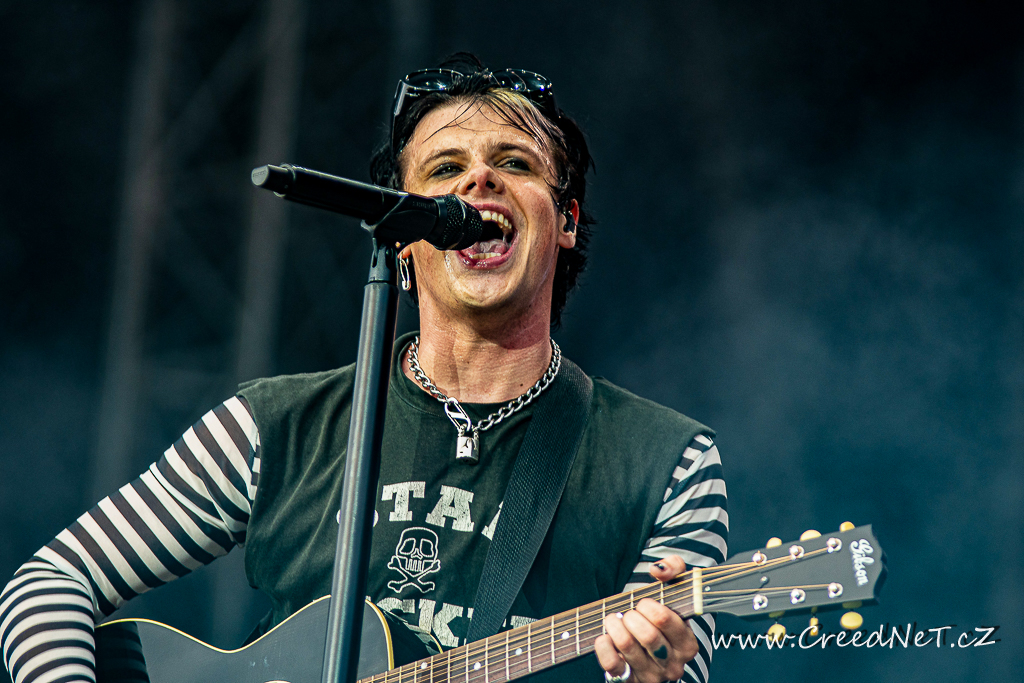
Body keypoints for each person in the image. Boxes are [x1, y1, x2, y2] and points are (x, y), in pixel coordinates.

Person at [0, 54, 727, 683]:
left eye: (515, 162)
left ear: (564, 220)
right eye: (445, 168)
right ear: (404, 237)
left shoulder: (664, 461)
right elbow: (49, 583)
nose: (480, 179)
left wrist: (653, 673)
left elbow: (672, 661)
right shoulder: (277, 425)